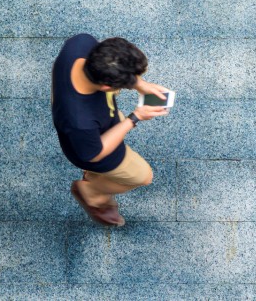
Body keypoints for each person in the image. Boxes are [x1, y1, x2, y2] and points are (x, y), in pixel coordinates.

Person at [51, 34, 170, 226]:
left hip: (93, 128)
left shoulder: (81, 43)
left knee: (117, 119)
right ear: (106, 86)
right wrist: (135, 117)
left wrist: (141, 85)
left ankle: (93, 179)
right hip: (92, 150)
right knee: (144, 176)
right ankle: (92, 193)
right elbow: (94, 153)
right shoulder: (79, 120)